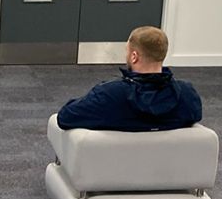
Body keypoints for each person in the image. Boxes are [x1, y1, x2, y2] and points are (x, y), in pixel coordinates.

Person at [57, 26, 202, 132]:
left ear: (134, 56)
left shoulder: (110, 94)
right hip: (167, 170)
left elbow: (65, 117)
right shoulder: (187, 94)